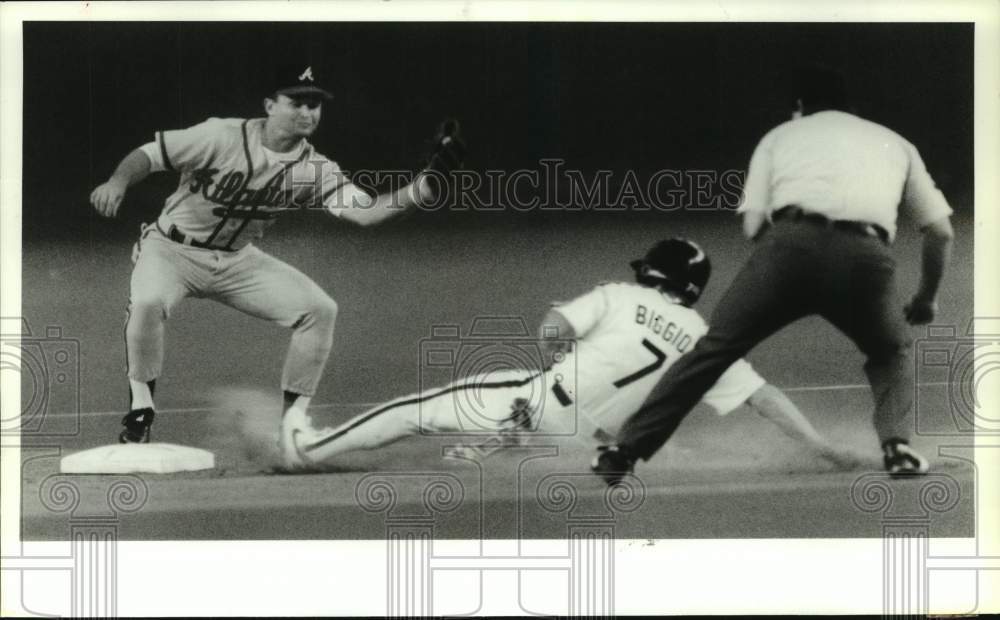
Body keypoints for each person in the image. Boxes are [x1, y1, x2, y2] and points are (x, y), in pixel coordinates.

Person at [592, 66, 954, 485]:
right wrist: (926, 298)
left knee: (713, 352)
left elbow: (753, 225)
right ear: (850, 108)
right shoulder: (897, 142)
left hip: (788, 247)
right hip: (865, 257)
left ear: (799, 107)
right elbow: (940, 231)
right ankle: (898, 449)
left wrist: (784, 265)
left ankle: (624, 452)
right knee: (892, 353)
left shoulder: (779, 136)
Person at [89, 63, 458, 461]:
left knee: (319, 309)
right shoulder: (221, 135)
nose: (307, 112)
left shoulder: (314, 168)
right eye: (296, 102)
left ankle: (292, 426)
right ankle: (140, 411)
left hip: (237, 260)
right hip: (170, 250)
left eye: (314, 105)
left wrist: (421, 189)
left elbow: (365, 212)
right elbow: (150, 154)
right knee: (146, 304)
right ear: (269, 106)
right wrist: (117, 181)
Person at [282, 238, 861, 472]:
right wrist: (821, 447)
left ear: (654, 275)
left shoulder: (620, 295)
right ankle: (503, 445)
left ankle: (306, 449)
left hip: (538, 403)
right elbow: (764, 397)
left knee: (413, 411)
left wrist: (564, 361)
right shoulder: (708, 341)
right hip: (590, 447)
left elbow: (552, 330)